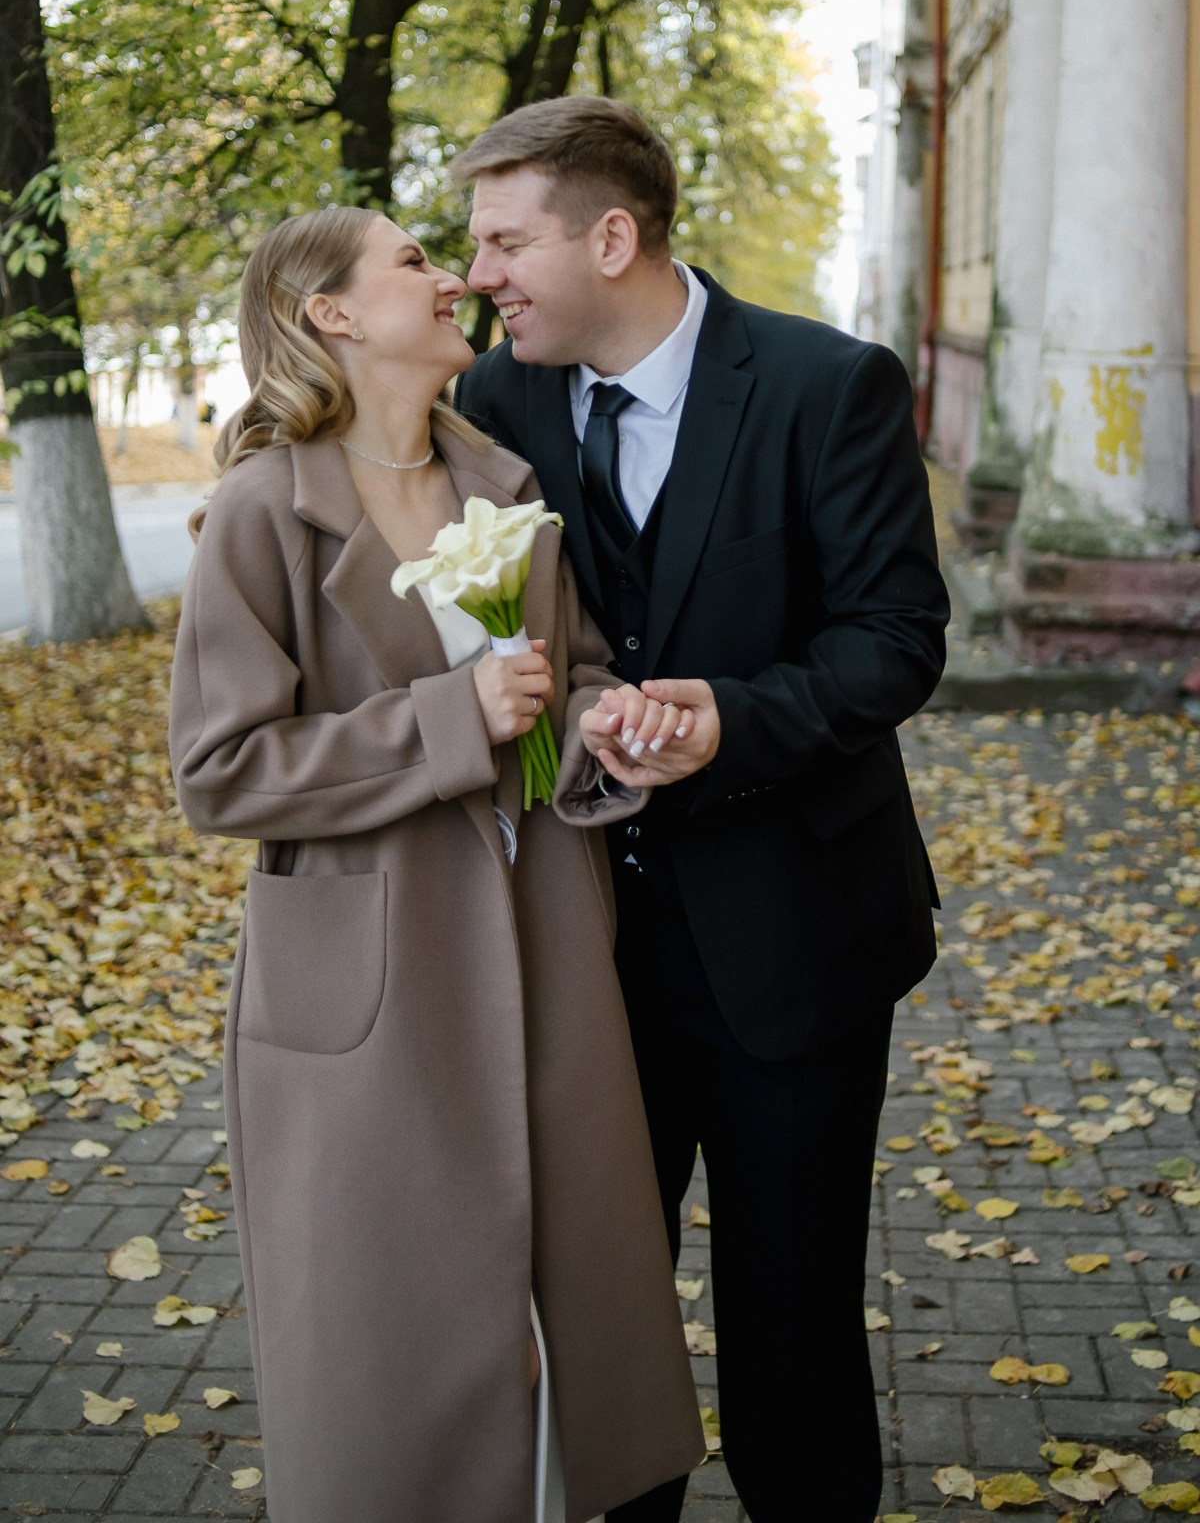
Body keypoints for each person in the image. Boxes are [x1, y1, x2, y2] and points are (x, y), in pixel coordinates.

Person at [452, 96, 951, 1523]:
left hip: (794, 937)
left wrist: (735, 719)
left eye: (503, 242)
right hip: (583, 949)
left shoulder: (824, 385)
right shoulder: (499, 405)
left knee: (792, 1332)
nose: (480, 274)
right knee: (602, 1326)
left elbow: (894, 639)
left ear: (611, 237)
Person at [168, 204, 704, 1523]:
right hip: (373, 984)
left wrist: (600, 724)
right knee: (397, 1361)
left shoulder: (505, 489)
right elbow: (221, 770)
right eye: (414, 262)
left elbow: (560, 681)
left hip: (545, 946)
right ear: (330, 316)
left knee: (574, 1341)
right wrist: (448, 724)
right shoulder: (261, 516)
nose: (454, 275)